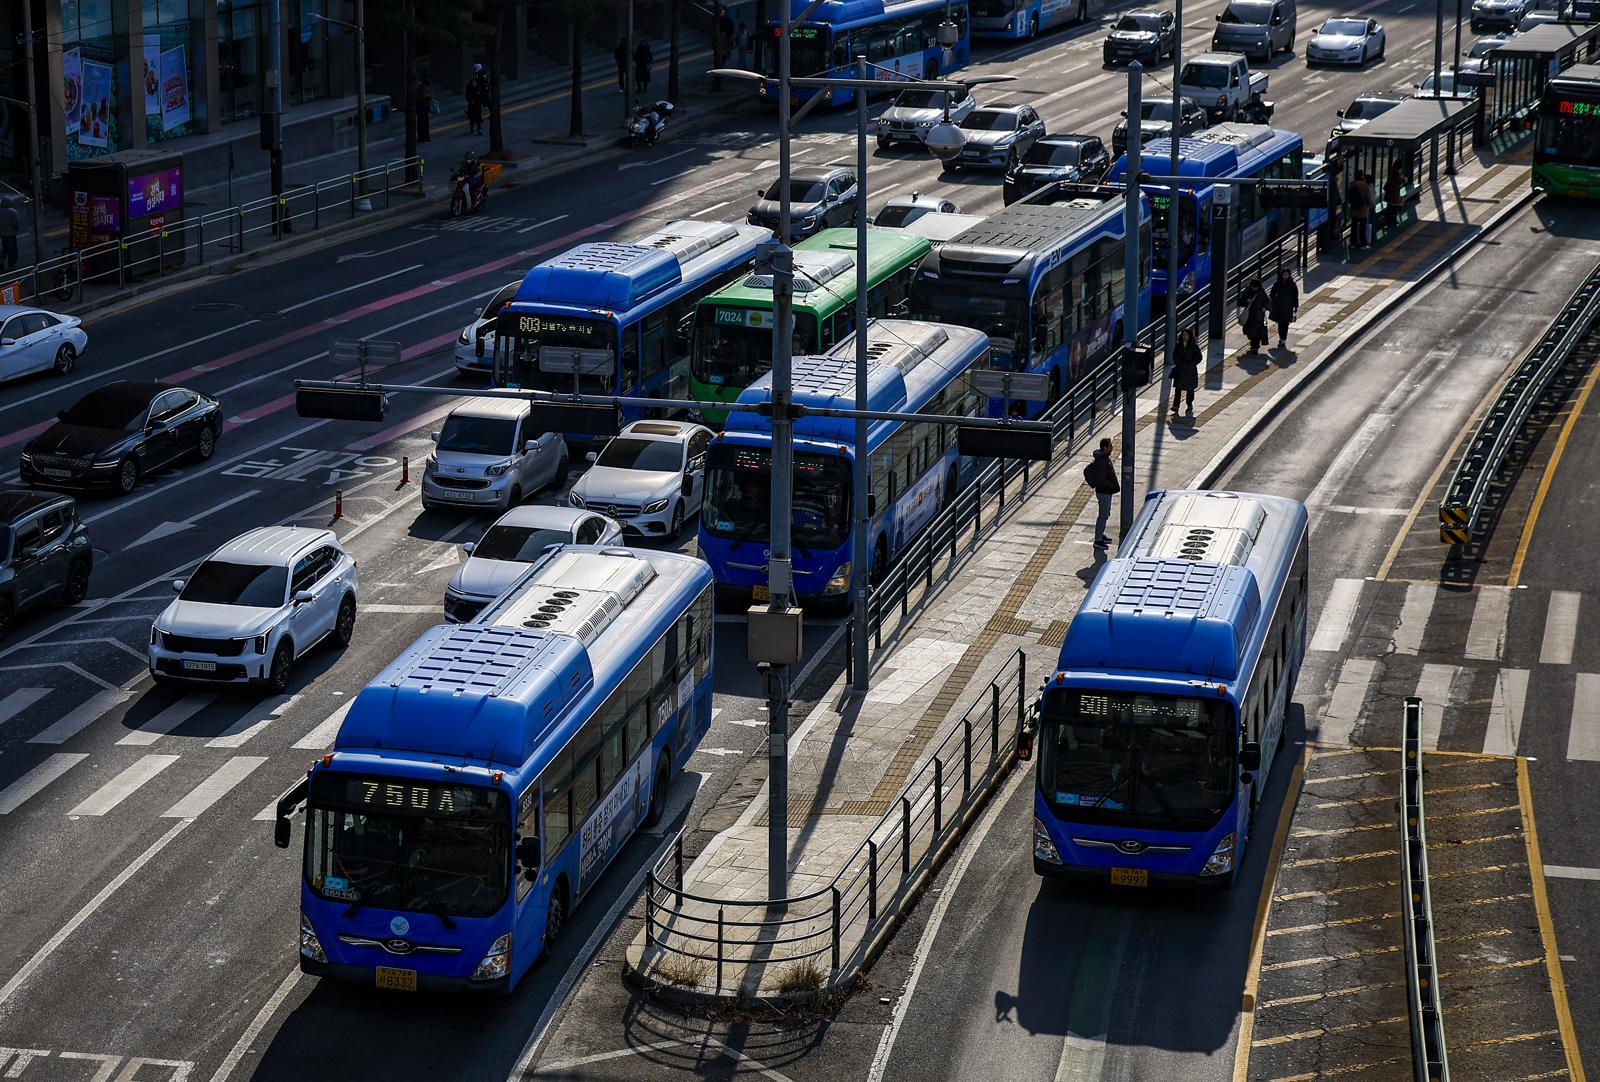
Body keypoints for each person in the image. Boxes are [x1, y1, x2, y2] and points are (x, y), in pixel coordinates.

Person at [1084, 438, 1120, 548]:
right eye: (1110, 446)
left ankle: (1100, 535)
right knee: (1103, 515)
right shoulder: (1102, 461)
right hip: (1104, 492)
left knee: (1105, 514)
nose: (1112, 448)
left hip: (1105, 491)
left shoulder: (1103, 458)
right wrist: (1113, 487)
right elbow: (1103, 479)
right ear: (1105, 448)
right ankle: (1098, 540)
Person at [1171, 328, 1201, 419]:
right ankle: (1176, 406)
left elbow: (1199, 357)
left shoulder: (1194, 346)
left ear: (1189, 336)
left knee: (1190, 388)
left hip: (1189, 370)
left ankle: (1189, 404)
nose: (1184, 336)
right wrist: (1177, 362)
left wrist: (1192, 363)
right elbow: (1174, 355)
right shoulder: (1178, 345)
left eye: (1186, 335)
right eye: (1183, 334)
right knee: (1178, 388)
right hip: (1180, 369)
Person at [1270, 269, 1299, 351]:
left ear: (1289, 275)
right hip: (1279, 307)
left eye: (1287, 274)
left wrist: (1295, 306)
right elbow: (1272, 293)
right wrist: (1274, 301)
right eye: (1284, 274)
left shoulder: (1292, 285)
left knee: (1285, 324)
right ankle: (1281, 339)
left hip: (1288, 307)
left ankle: (1283, 340)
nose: (1285, 276)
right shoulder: (1277, 283)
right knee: (1280, 324)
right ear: (1281, 275)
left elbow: (1295, 296)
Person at [1241, 278, 1269, 354]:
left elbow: (1267, 301)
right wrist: (1246, 301)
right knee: (1250, 332)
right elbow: (1241, 301)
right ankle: (1254, 346)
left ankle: (1255, 348)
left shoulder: (1261, 292)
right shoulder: (1247, 291)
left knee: (1256, 333)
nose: (1254, 288)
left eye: (1256, 287)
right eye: (1253, 287)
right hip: (1249, 316)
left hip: (1258, 316)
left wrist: (1264, 307)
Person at [1347, 171, 1374, 248]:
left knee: (1354, 227)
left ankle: (1353, 243)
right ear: (1362, 177)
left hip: (1354, 209)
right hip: (1363, 210)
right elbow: (1368, 199)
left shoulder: (1352, 185)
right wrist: (1370, 204)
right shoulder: (1365, 186)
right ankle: (1363, 243)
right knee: (1362, 227)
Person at [1384, 159, 1409, 228]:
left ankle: (1390, 221)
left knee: (1390, 207)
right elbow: (1398, 181)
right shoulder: (1396, 172)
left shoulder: (1392, 171)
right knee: (1393, 208)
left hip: (1390, 193)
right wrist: (1404, 179)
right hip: (1394, 193)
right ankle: (1392, 221)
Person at [465, 64, 488, 136]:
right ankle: (473, 128)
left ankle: (478, 129)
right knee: (472, 116)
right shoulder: (472, 86)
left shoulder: (478, 84)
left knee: (477, 115)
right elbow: (467, 94)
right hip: (472, 102)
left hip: (476, 102)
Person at [0, 202, 19, 273]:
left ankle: (1, 260)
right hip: (11, 234)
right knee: (13, 251)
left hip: (2, 234)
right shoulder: (12, 211)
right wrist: (16, 229)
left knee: (5, 248)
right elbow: (16, 223)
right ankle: (11, 266)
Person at [414, 77, 432, 143]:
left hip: (424, 109)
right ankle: (421, 138)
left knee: (426, 124)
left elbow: (428, 98)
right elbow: (418, 100)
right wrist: (425, 97)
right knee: (421, 124)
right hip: (420, 109)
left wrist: (428, 97)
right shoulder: (418, 90)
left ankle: (426, 137)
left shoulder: (426, 89)